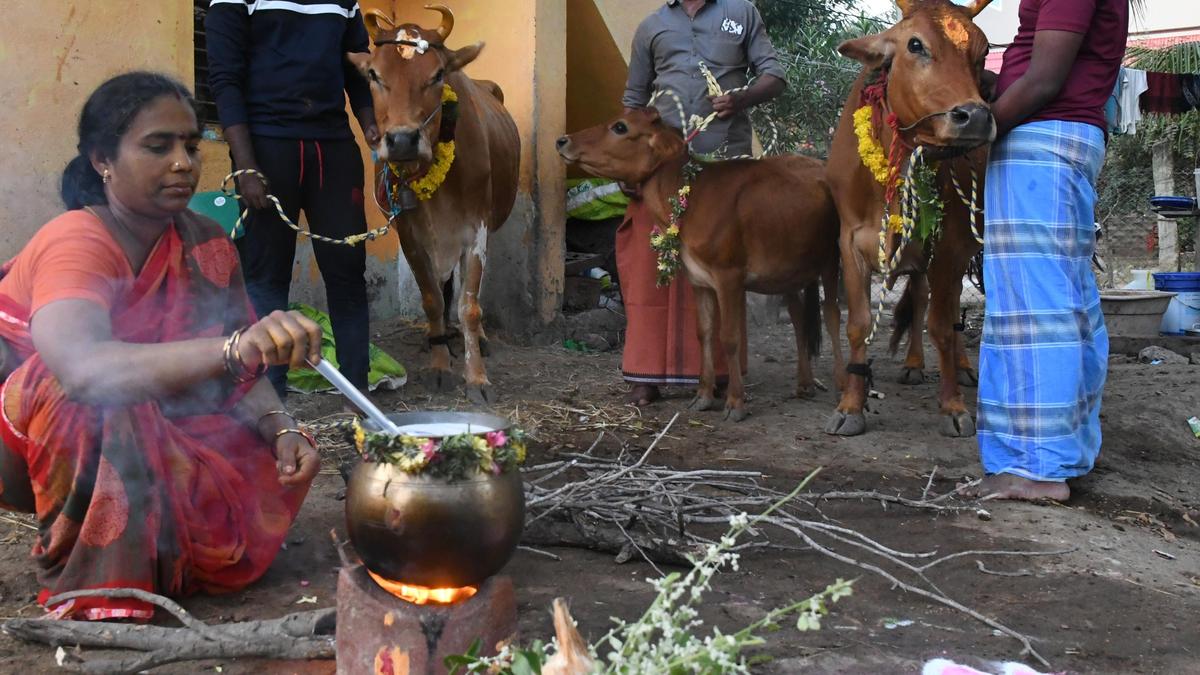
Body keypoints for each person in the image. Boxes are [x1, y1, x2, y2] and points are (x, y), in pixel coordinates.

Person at [0, 72, 323, 620]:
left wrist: (281, 427)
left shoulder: (207, 241)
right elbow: (80, 370)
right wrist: (233, 348)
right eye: (158, 146)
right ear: (102, 160)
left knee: (260, 447)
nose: (183, 163)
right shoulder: (76, 239)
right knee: (91, 391)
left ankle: (162, 557)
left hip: (144, 422)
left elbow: (238, 372)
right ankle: (98, 591)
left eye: (191, 146)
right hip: (28, 439)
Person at [969, 0, 1129, 501]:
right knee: (1064, 304)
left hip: (1041, 141)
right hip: (1057, 139)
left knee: (1033, 309)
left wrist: (972, 134)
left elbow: (1044, 80)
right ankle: (1062, 450)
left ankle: (1035, 468)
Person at [205, 0, 378, 398]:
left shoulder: (344, 3)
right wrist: (246, 166)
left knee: (348, 271)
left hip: (334, 147)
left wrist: (370, 124)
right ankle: (272, 401)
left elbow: (357, 69)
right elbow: (225, 79)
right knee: (267, 276)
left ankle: (359, 398)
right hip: (267, 147)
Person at [619, 0, 786, 406]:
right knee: (648, 264)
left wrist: (742, 98)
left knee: (723, 268)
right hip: (662, 167)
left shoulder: (742, 13)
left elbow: (775, 77)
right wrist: (627, 160)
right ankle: (646, 374)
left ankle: (722, 373)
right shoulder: (652, 26)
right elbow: (634, 100)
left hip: (725, 165)